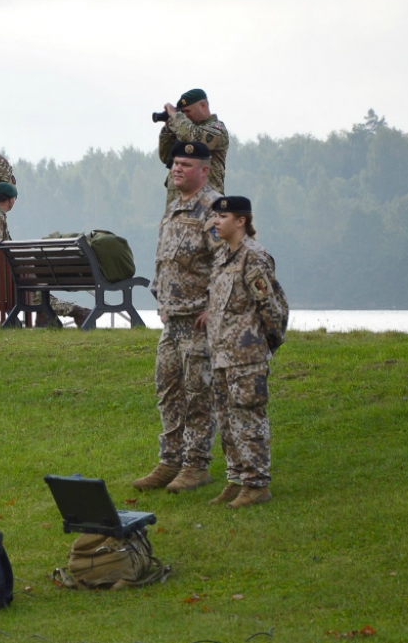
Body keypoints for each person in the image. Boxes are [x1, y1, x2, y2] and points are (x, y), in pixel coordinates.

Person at [133, 141, 223, 493]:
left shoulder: (215, 208)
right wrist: (161, 301)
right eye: (175, 164)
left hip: (198, 320)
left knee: (198, 394)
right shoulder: (173, 208)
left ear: (203, 170)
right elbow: (165, 259)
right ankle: (170, 461)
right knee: (168, 391)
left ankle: (196, 465)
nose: (177, 169)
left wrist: (213, 307)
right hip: (172, 321)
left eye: (186, 164)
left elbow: (226, 260)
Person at [201, 195, 288, 509]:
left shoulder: (254, 257)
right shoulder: (224, 255)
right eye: (214, 217)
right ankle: (236, 479)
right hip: (223, 354)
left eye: (223, 217)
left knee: (248, 418)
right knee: (227, 420)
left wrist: (265, 344)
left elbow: (272, 307)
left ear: (241, 221)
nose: (216, 222)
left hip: (247, 354)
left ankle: (256, 484)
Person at [0, 182, 90, 328]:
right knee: (34, 286)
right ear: (11, 200)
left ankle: (45, 315)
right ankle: (76, 312)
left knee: (32, 282)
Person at [158, 89, 229, 204]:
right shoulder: (183, 131)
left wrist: (176, 117)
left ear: (202, 106)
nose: (185, 116)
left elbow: (196, 139)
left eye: (187, 111)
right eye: (182, 113)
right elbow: (165, 156)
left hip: (206, 206)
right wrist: (169, 128)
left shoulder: (216, 129)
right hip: (178, 207)